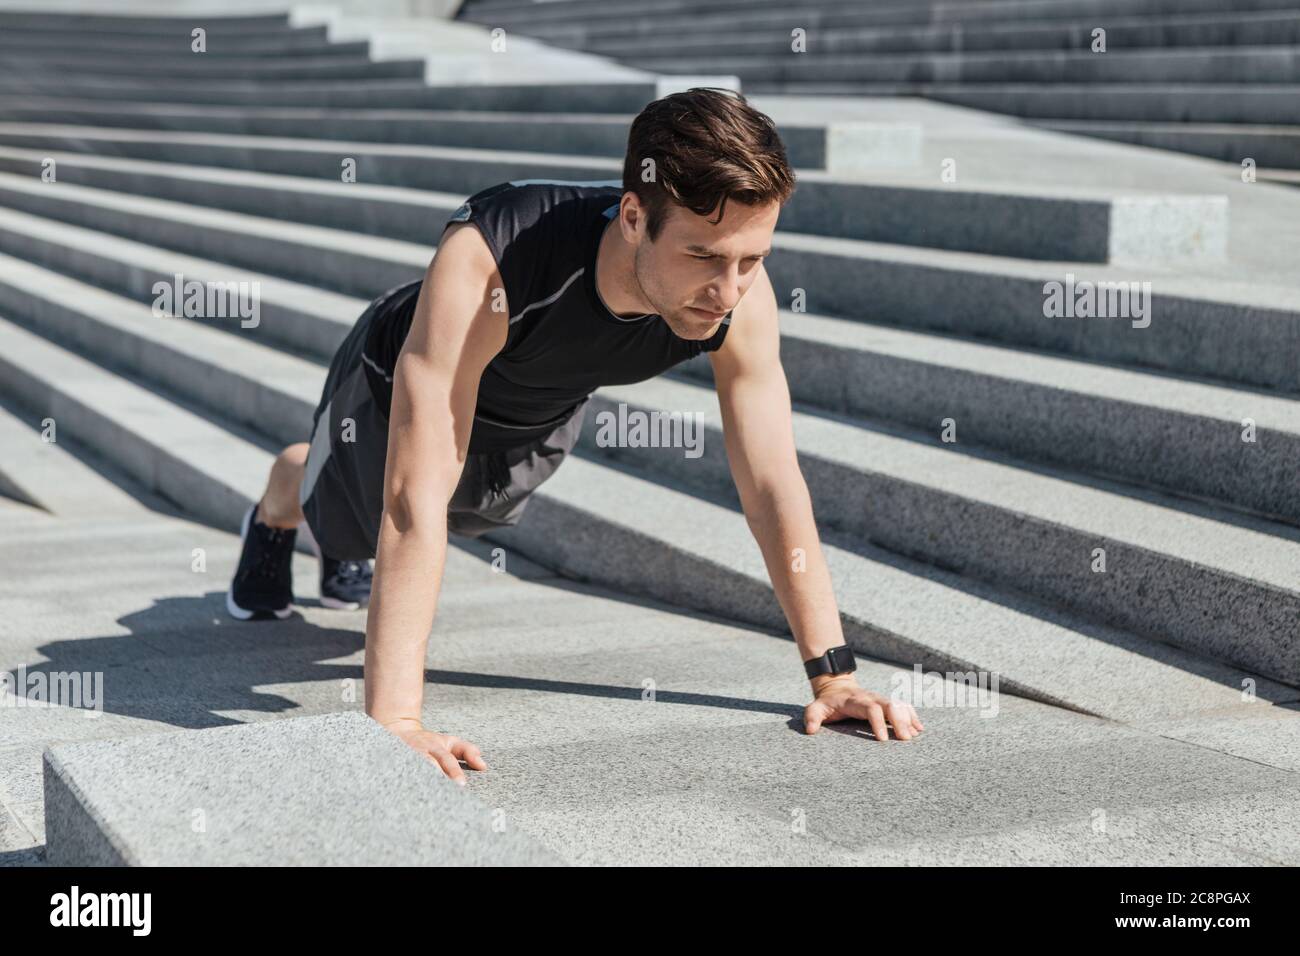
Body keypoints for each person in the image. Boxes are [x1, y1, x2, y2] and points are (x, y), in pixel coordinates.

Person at [225, 87, 924, 782]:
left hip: (537, 414)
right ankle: (289, 485)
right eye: (704, 257)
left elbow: (772, 480)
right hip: (386, 389)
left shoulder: (740, 298)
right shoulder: (493, 253)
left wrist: (833, 678)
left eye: (753, 259)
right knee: (366, 522)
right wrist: (397, 722)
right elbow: (411, 499)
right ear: (631, 216)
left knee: (470, 514)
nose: (729, 290)